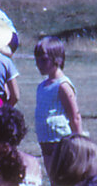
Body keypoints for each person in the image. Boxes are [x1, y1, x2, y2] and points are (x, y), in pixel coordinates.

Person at [32, 35, 86, 164]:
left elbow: (75, 117)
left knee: (63, 176)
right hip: (45, 139)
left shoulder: (63, 85)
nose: (39, 64)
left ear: (58, 60)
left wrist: (79, 143)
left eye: (44, 60)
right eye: (37, 60)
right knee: (52, 178)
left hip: (60, 140)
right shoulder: (42, 86)